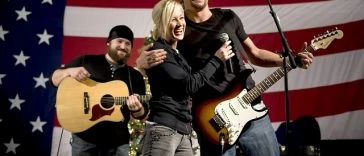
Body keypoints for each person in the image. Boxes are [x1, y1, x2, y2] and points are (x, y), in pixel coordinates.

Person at [136, 0, 314, 156]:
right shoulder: (177, 26)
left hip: (250, 109)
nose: (178, 22)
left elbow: (255, 54)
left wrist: (290, 60)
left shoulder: (228, 17)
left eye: (180, 19)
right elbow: (159, 57)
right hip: (212, 121)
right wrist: (140, 62)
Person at [139, 0, 233, 156]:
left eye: (181, 18)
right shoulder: (159, 51)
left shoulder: (177, 54)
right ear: (161, 23)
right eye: (173, 19)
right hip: (163, 130)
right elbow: (189, 85)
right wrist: (217, 60)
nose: (180, 24)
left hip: (183, 132)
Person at [51, 25, 149, 156]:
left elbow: (141, 115)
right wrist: (70, 71)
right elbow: (53, 80)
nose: (123, 46)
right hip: (84, 139)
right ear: (108, 42)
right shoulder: (87, 61)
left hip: (118, 142)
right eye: (119, 41)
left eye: (128, 43)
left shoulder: (134, 76)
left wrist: (137, 108)